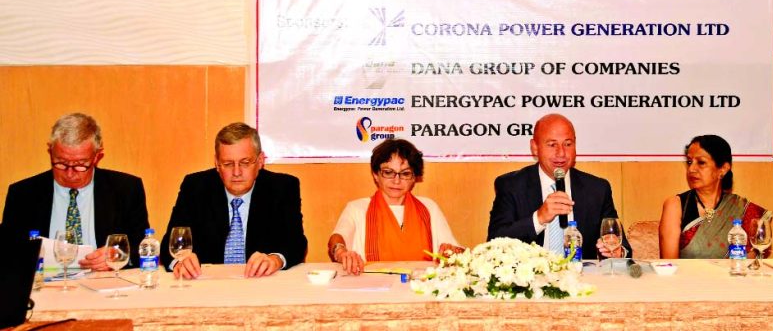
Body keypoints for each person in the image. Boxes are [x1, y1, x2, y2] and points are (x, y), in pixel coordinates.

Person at [2, 113, 150, 270]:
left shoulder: (125, 189)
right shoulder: (23, 194)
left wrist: (118, 255)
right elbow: (8, 252)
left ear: (97, 156)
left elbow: (143, 247)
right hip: (44, 286)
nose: (70, 174)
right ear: (50, 151)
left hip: (103, 284)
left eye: (80, 165)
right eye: (61, 163)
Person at [161, 122, 307, 279]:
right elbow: (170, 243)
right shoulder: (196, 187)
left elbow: (296, 242)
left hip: (261, 285)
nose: (236, 172)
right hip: (207, 286)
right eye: (228, 164)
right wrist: (180, 262)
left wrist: (276, 259)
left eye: (245, 163)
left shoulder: (283, 187)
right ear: (217, 164)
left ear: (260, 161)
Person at [488, 113, 632, 260]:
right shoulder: (511, 186)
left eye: (568, 144)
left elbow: (622, 246)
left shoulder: (597, 189)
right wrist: (539, 218)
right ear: (535, 147)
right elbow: (494, 243)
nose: (561, 153)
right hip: (532, 279)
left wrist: (617, 251)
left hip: (582, 278)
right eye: (552, 145)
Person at [328, 138, 463, 275]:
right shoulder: (357, 208)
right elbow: (337, 237)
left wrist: (451, 252)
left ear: (414, 178)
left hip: (419, 288)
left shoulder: (429, 207)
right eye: (388, 172)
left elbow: (456, 251)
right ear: (375, 175)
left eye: (405, 173)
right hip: (372, 290)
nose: (396, 181)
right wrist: (341, 252)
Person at [659, 135, 769, 259]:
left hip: (731, 277)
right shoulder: (676, 205)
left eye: (701, 162)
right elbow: (669, 264)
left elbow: (751, 258)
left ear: (723, 169)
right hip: (687, 278)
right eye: (689, 162)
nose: (691, 169)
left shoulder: (741, 208)